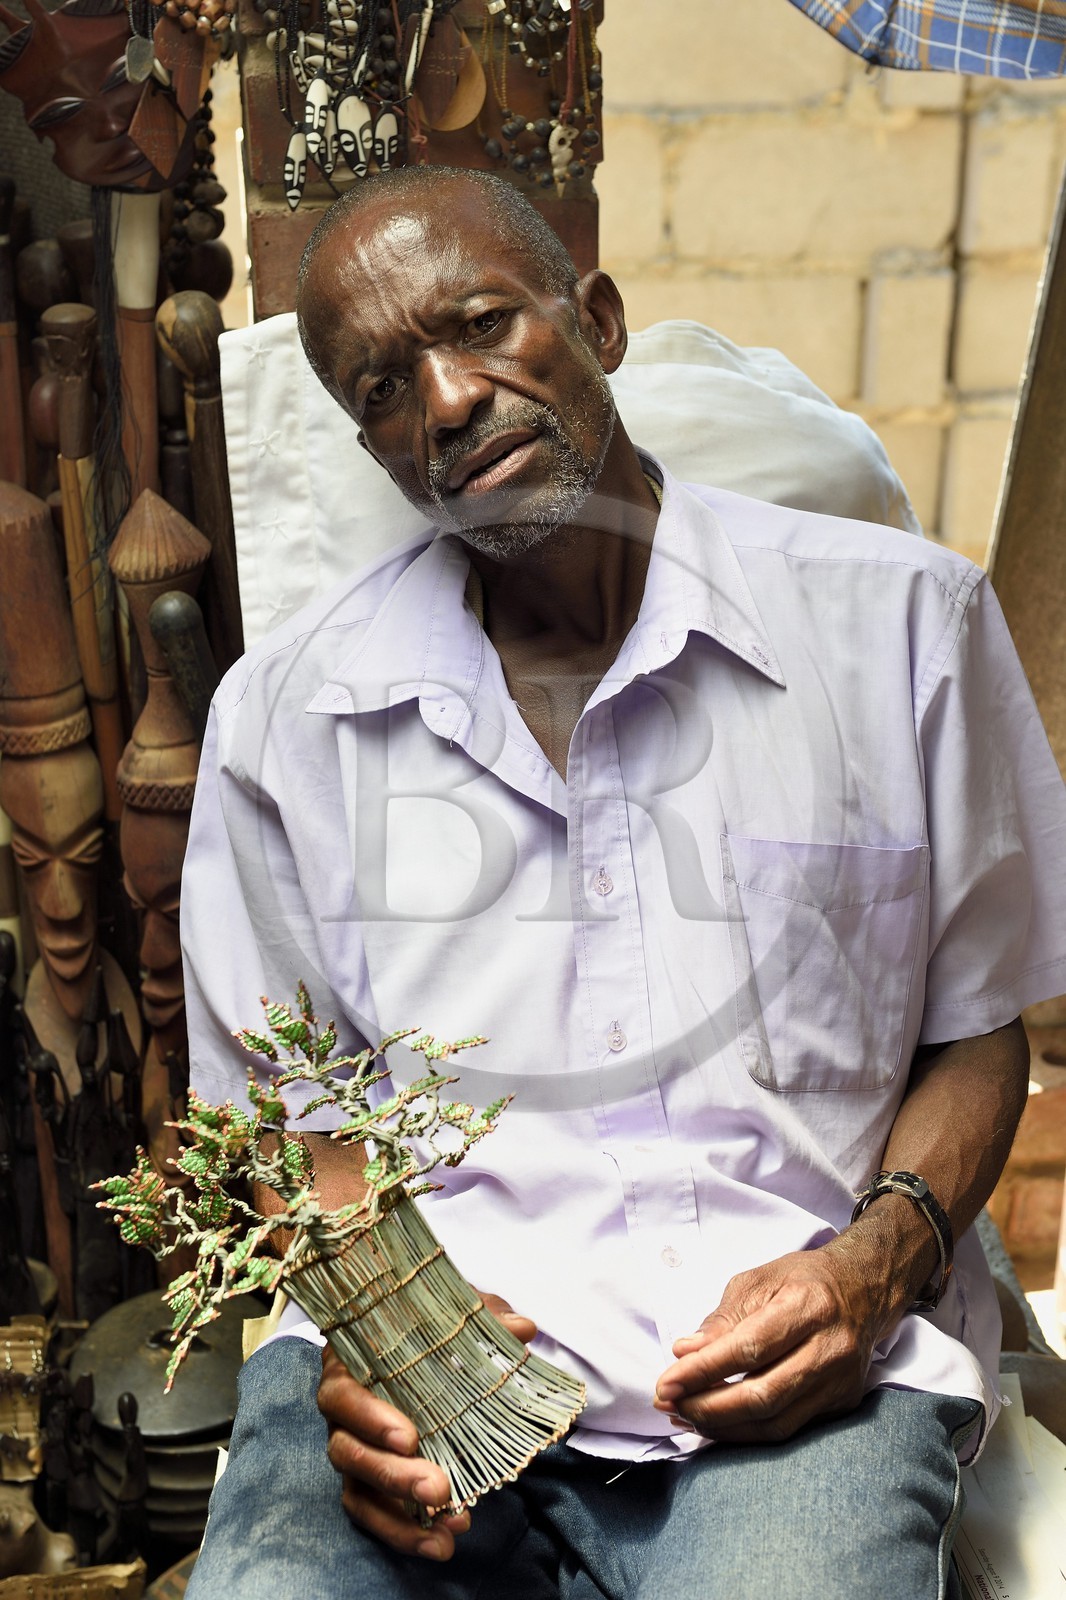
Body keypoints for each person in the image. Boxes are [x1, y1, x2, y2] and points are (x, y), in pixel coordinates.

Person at [180, 166, 1066, 1600]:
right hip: (427, 1373)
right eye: (384, 388)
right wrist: (386, 1337)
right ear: (370, 445)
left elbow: (975, 1033)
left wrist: (874, 1266)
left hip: (795, 1379)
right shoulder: (285, 718)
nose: (449, 401)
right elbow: (287, 1114)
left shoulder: (899, 629)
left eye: (480, 325)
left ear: (593, 316)